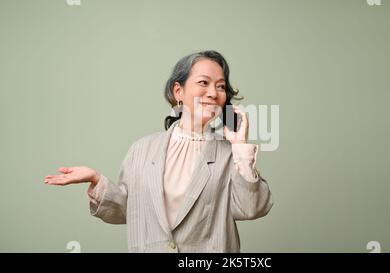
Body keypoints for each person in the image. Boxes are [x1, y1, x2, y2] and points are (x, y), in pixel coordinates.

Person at [44, 50, 273, 252]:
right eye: (203, 82)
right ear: (178, 91)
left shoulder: (229, 154)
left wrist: (240, 145)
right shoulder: (142, 149)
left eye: (220, 86)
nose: (213, 93)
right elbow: (129, 210)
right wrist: (96, 180)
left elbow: (251, 208)